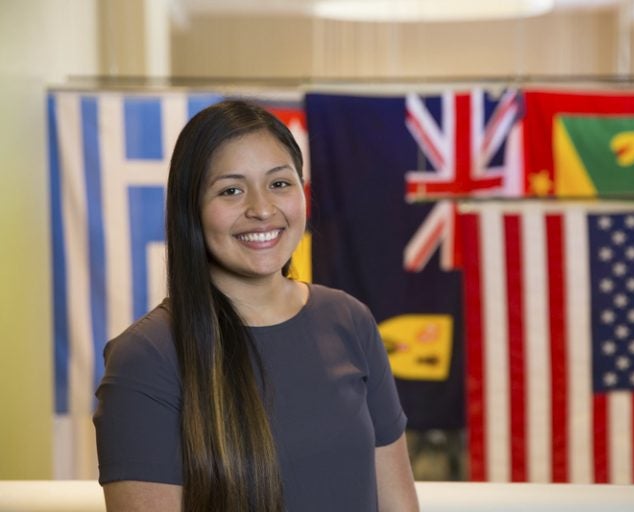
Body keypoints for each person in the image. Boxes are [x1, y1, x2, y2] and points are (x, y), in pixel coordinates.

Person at [93, 99, 420, 512]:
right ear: (190, 209)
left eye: (280, 183)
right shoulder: (146, 356)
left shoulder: (349, 320)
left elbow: (398, 505)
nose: (262, 209)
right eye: (231, 190)